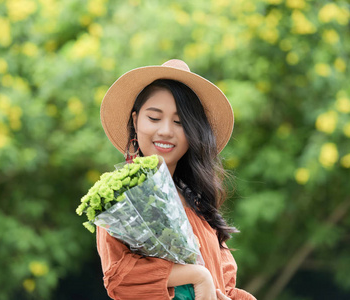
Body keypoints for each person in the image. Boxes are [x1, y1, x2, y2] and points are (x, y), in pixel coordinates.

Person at [98, 59, 256, 300]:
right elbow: (120, 277)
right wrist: (196, 276)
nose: (165, 131)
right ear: (135, 120)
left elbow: (225, 285)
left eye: (180, 122)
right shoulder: (123, 198)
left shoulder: (198, 203)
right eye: (154, 118)